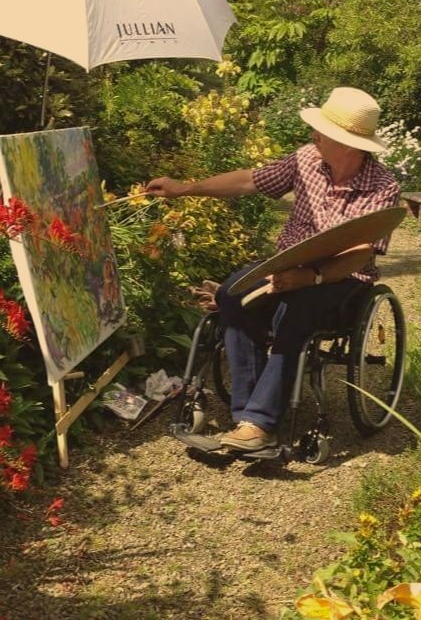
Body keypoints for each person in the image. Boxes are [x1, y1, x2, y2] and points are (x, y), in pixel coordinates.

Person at [145, 87, 401, 452]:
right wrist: (185, 188)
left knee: (297, 311)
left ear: (348, 144)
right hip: (287, 264)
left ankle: (260, 422)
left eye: (323, 131)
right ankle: (247, 415)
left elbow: (360, 254)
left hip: (340, 279)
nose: (314, 135)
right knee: (231, 295)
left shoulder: (382, 188)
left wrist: (309, 278)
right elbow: (250, 180)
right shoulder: (306, 159)